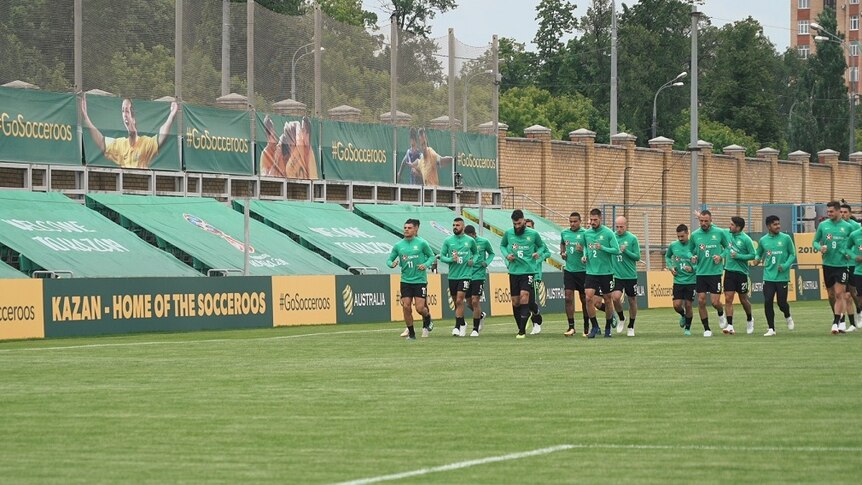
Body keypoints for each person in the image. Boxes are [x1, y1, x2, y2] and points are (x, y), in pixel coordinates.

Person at [81, 95, 178, 169]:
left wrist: (171, 116)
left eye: (127, 111)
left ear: (134, 117)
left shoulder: (146, 143)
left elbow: (162, 136)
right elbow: (102, 141)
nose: (124, 115)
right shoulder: (120, 144)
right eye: (123, 111)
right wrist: (86, 118)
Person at [500, 209, 547, 338]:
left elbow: (542, 246)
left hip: (528, 271)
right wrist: (506, 255)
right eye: (514, 224)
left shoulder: (533, 234)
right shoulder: (508, 234)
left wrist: (539, 253)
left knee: (524, 296)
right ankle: (520, 326)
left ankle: (522, 331)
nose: (517, 226)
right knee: (515, 302)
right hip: (514, 271)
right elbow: (502, 246)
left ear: (524, 221)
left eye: (519, 223)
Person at [387, 219, 436, 340]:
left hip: (420, 280)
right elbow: (389, 259)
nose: (406, 230)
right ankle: (412, 333)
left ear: (415, 229)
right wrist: (391, 264)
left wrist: (425, 264)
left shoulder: (422, 243)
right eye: (405, 228)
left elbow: (431, 256)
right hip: (406, 280)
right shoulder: (399, 245)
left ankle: (428, 317)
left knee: (420, 308)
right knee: (406, 306)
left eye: (409, 228)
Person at [813, 200, 856, 334]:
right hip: (827, 264)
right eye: (828, 211)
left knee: (839, 293)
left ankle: (836, 323)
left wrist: (849, 253)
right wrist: (820, 248)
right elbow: (814, 242)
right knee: (831, 295)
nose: (829, 214)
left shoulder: (848, 227)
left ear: (838, 211)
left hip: (842, 265)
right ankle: (839, 318)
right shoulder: (823, 226)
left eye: (831, 211)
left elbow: (855, 243)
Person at [687, 210, 731, 337]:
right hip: (701, 273)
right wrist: (692, 257)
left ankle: (721, 312)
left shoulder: (719, 233)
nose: (704, 223)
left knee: (715, 302)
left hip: (715, 272)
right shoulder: (695, 235)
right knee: (701, 301)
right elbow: (689, 251)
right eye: (701, 221)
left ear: (711, 221)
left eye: (706, 221)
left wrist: (721, 256)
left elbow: (728, 247)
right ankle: (706, 328)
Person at [753, 215, 797, 336]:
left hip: (782, 276)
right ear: (768, 226)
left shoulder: (786, 238)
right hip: (768, 276)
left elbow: (792, 254)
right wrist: (756, 259)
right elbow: (758, 253)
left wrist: (785, 265)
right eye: (775, 224)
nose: (778, 226)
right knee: (767, 301)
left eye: (778, 224)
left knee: (781, 303)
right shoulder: (763, 240)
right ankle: (771, 328)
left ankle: (787, 316)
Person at [583, 208, 620, 338]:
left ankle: (608, 327)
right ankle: (594, 326)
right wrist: (584, 256)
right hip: (591, 271)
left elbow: (616, 250)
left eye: (595, 220)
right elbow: (585, 247)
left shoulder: (608, 233)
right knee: (588, 298)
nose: (592, 222)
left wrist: (602, 247)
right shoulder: (586, 234)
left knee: (608, 299)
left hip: (606, 272)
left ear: (600, 219)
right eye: (591, 220)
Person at [439, 217, 478, 337]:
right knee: (457, 302)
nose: (455, 227)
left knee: (460, 299)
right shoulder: (448, 241)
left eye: (458, 225)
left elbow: (476, 253)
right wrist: (451, 259)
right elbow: (442, 256)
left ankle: (457, 326)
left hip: (465, 275)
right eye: (454, 225)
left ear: (463, 227)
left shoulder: (470, 241)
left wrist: (473, 260)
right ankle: (463, 323)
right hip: (453, 276)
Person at [723, 216, 756, 335]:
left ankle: (749, 319)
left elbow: (753, 255)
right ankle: (730, 325)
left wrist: (738, 256)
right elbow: (714, 227)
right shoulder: (727, 234)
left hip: (741, 273)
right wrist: (701, 217)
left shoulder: (746, 239)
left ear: (738, 227)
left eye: (731, 224)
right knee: (728, 298)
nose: (729, 226)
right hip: (729, 271)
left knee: (743, 299)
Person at [560, 212, 589, 337]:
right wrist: (563, 253)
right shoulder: (565, 233)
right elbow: (562, 244)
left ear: (580, 221)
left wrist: (583, 251)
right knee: (568, 298)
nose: (572, 224)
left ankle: (586, 327)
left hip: (583, 271)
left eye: (575, 221)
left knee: (584, 299)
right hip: (569, 270)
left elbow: (590, 249)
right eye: (570, 221)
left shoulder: (585, 234)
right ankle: (571, 327)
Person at [611, 216, 641, 336]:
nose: (619, 229)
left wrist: (626, 251)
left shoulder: (632, 238)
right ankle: (622, 318)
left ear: (626, 225)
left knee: (632, 300)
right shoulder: (612, 237)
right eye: (617, 226)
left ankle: (631, 326)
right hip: (617, 275)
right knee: (615, 298)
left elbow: (637, 257)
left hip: (630, 275)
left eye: (621, 227)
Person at [666, 224, 696, 336]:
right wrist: (671, 267)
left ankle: (687, 328)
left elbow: (700, 263)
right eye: (678, 236)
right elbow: (668, 257)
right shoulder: (673, 245)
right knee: (677, 305)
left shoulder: (694, 247)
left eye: (682, 236)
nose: (680, 239)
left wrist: (692, 268)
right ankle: (683, 315)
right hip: (678, 281)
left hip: (691, 281)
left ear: (688, 233)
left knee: (688, 305)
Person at [464, 224, 493, 337]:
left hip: (479, 275)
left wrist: (486, 262)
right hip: (466, 274)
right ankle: (480, 315)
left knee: (475, 300)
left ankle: (475, 329)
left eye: (470, 236)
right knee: (469, 303)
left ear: (474, 234)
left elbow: (492, 253)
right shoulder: (464, 243)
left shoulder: (484, 242)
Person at [525, 219, 552, 334]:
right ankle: (535, 319)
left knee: (531, 300)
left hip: (535, 274)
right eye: (526, 226)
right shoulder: (522, 240)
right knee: (525, 300)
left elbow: (547, 252)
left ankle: (536, 323)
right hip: (524, 273)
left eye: (530, 226)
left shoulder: (537, 240)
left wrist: (539, 257)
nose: (528, 228)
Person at [839, 203, 862, 329]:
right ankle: (850, 322)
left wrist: (852, 255)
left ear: (850, 213)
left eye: (845, 212)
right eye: (841, 212)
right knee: (845, 294)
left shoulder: (855, 227)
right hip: (841, 264)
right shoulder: (836, 227)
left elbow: (855, 245)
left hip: (854, 265)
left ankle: (859, 311)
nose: (843, 214)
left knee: (855, 293)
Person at [848, 221, 862, 328]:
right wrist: (854, 256)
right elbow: (847, 248)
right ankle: (860, 314)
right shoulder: (855, 234)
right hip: (859, 270)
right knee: (859, 295)